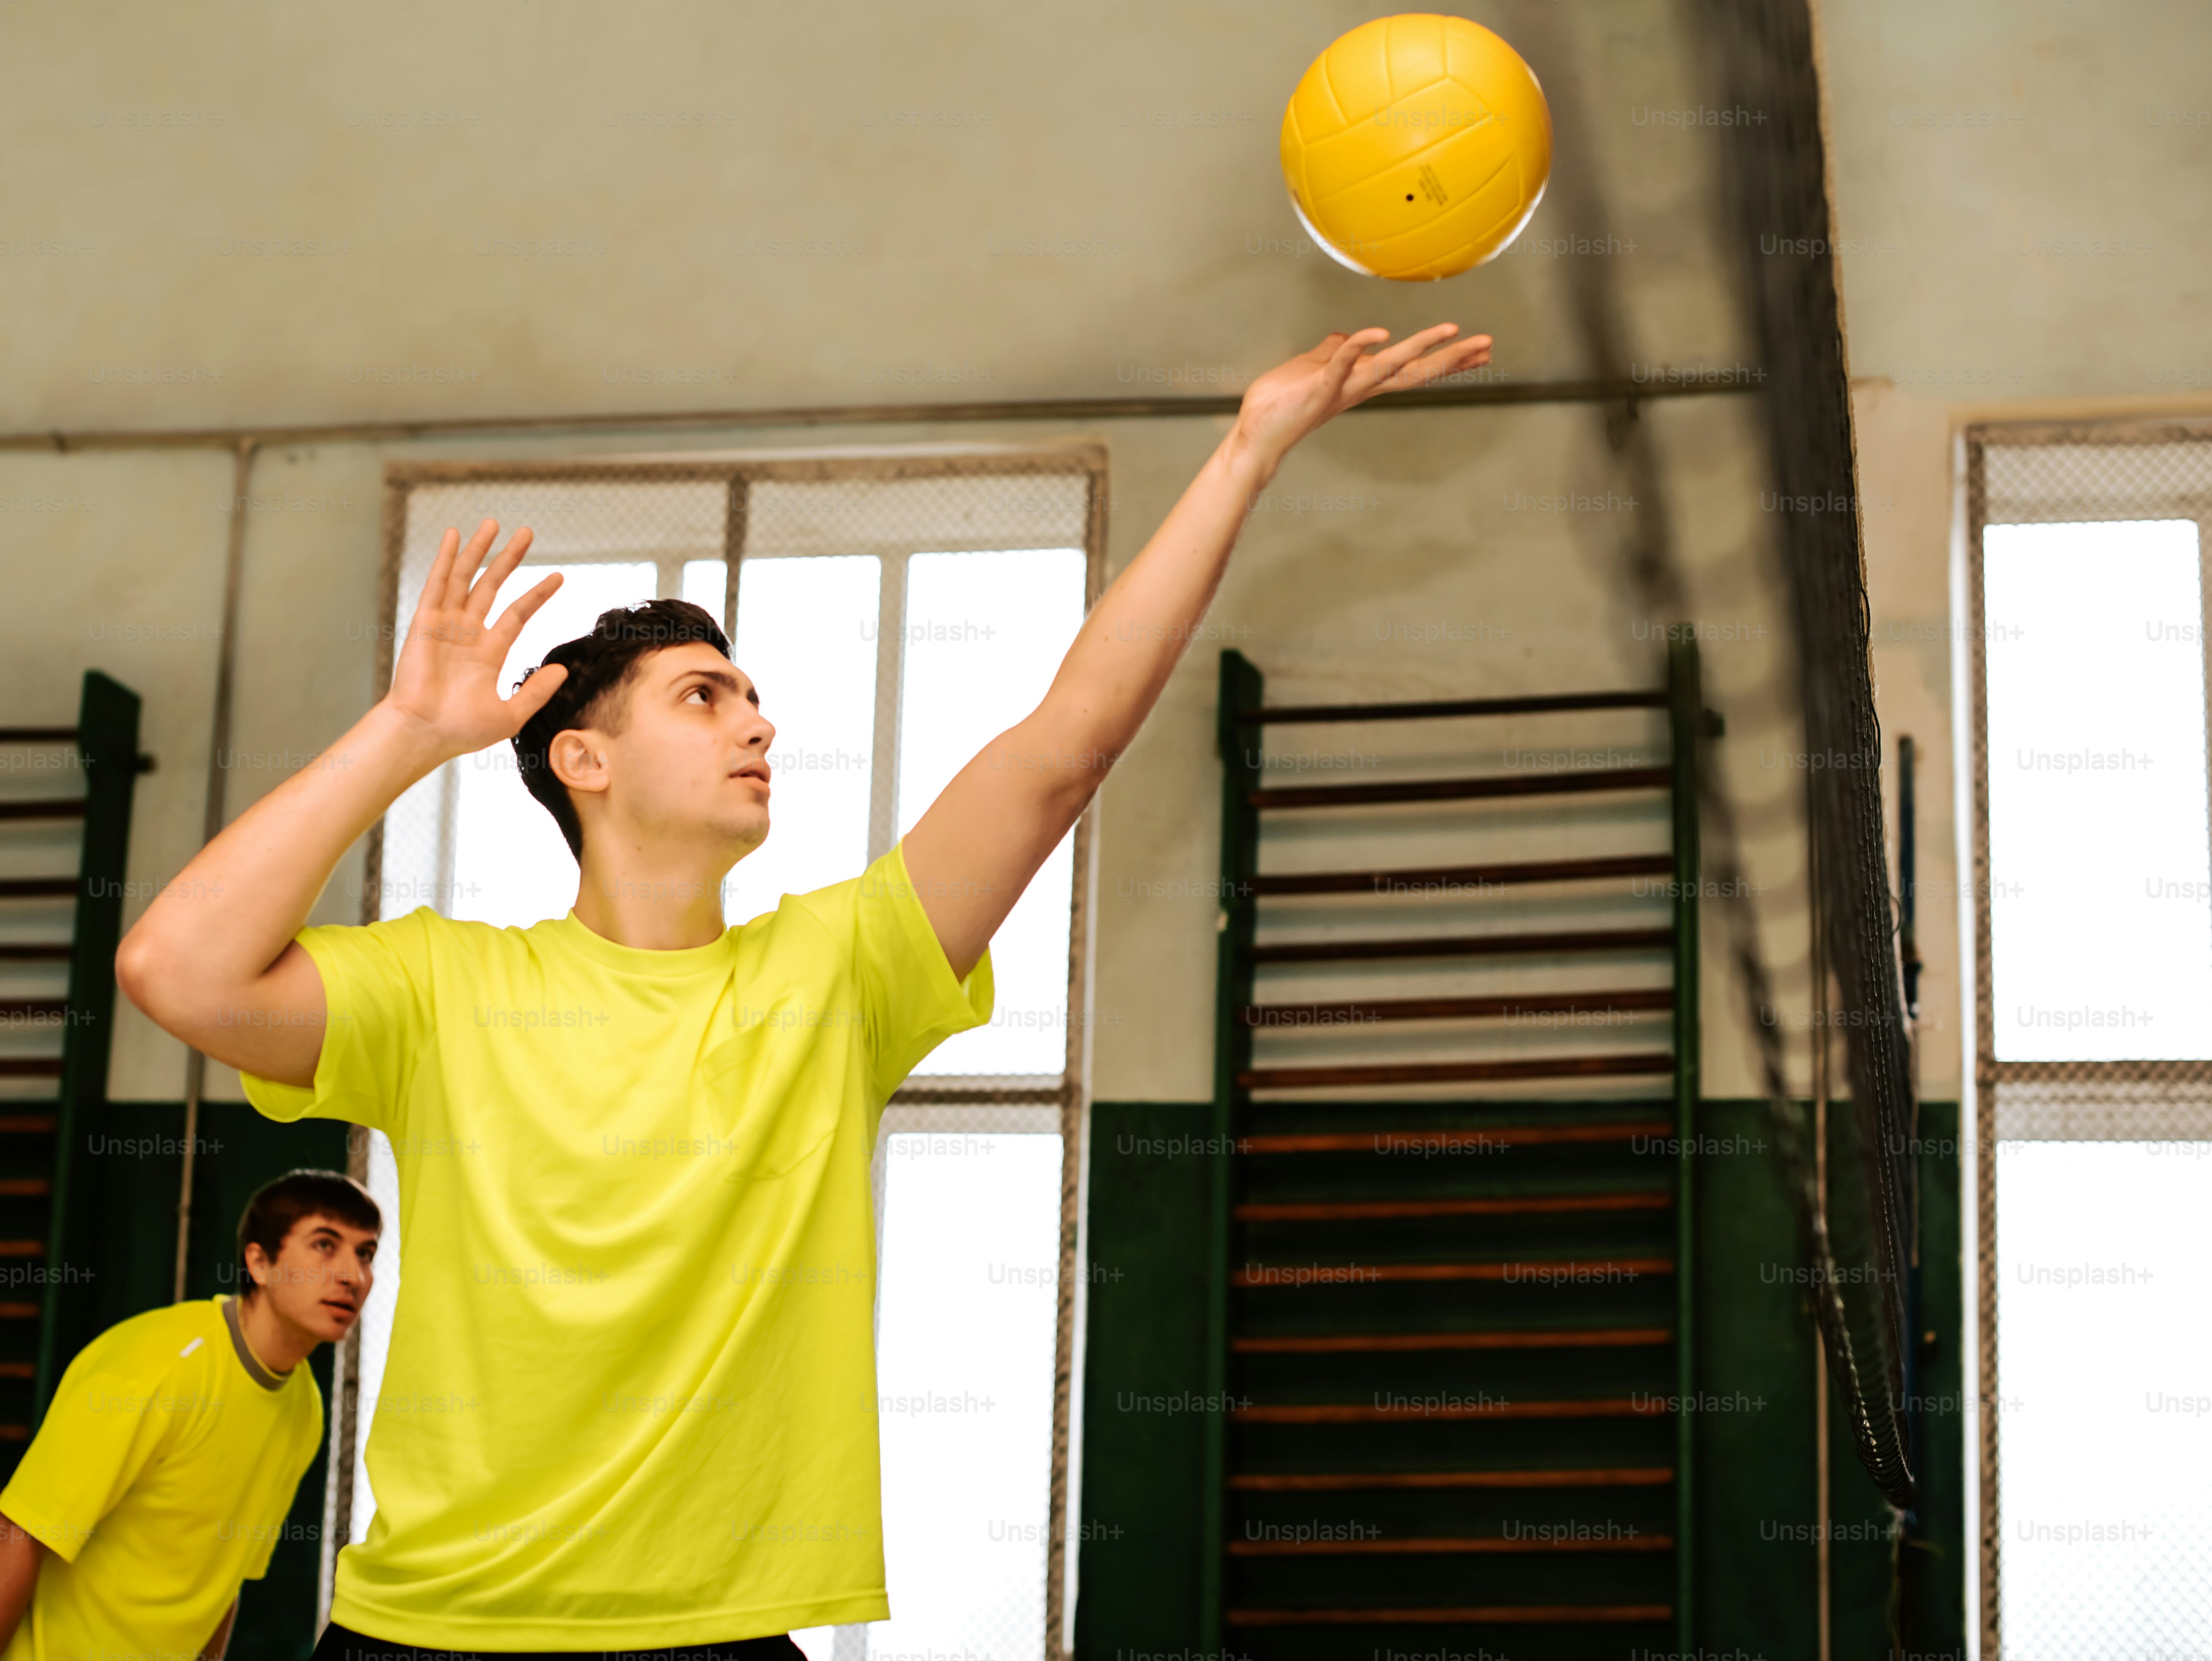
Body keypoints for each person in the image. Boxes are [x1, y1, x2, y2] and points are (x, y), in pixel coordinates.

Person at [114, 323, 1492, 1658]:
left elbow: (1062, 748)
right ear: (582, 762)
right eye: (703, 697)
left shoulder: (836, 970)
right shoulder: (440, 984)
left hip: (713, 1634)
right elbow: (174, 968)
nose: (760, 722)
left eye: (754, 698)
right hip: (427, 1629)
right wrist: (408, 729)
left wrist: (1246, 448)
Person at [0, 1169, 380, 1661]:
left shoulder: (305, 1407)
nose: (351, 1275)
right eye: (324, 1244)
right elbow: (14, 1537)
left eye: (365, 1252)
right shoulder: (155, 1366)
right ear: (260, 1261)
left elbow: (221, 1579)